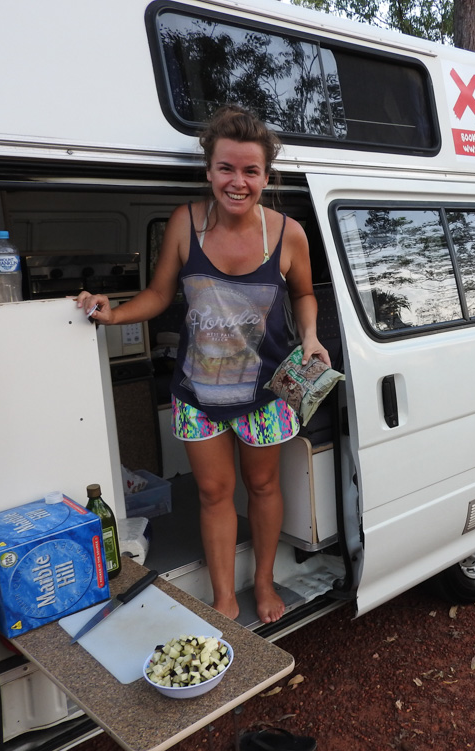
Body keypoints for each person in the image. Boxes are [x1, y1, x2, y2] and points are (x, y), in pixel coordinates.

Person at [77, 105, 329, 624]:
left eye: (250, 171)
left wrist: (310, 336)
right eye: (226, 169)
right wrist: (114, 312)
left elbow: (304, 294)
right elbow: (158, 293)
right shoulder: (183, 223)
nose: (238, 182)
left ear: (266, 175)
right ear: (209, 170)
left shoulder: (289, 233)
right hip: (198, 394)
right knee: (214, 494)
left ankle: (262, 582)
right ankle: (224, 598)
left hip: (266, 391)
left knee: (261, 487)